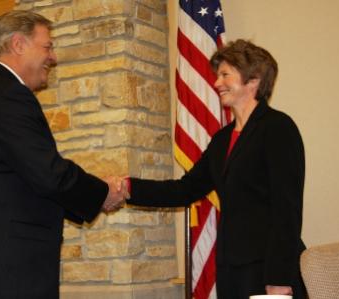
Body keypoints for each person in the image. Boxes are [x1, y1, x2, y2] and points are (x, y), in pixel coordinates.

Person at [0, 10, 125, 299]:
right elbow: (49, 174)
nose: (54, 57)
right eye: (47, 46)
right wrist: (102, 193)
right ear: (18, 44)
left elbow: (26, 178)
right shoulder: (8, 95)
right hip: (3, 275)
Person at [123, 39, 306, 298]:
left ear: (253, 79)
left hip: (267, 270)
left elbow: (287, 210)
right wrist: (128, 188)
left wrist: (278, 278)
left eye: (225, 75)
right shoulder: (223, 139)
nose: (217, 83)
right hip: (231, 269)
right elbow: (185, 190)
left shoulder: (278, 128)